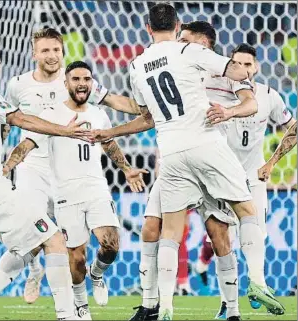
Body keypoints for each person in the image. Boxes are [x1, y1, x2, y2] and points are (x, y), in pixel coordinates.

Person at [90, 4, 279, 319]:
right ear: (178, 26)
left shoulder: (136, 65)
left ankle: (165, 305)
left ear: (148, 28)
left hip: (172, 153)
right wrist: (240, 71)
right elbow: (236, 70)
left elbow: (145, 116)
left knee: (171, 233)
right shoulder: (189, 51)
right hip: (206, 143)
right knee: (246, 209)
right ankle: (257, 280)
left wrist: (110, 131)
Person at [0, 46, 92, 320]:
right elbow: (21, 119)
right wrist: (65, 131)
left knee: (30, 244)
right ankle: (67, 315)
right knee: (55, 240)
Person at [4, 27, 141, 305]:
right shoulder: (17, 85)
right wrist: (4, 162)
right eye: (45, 50)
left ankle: (93, 276)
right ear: (34, 53)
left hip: (73, 170)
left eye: (56, 49)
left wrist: (147, 109)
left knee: (93, 246)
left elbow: (114, 101)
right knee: (29, 226)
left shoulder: (78, 80)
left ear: (63, 52)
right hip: (33, 164)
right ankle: (34, 271)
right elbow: (7, 121)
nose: (52, 55)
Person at [191, 41, 296, 319]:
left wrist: (272, 162)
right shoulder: (216, 92)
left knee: (256, 235)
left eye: (248, 64)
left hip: (252, 177)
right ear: (230, 66)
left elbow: (293, 128)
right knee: (221, 241)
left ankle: (257, 285)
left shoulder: (269, 96)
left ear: (257, 66)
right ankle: (229, 305)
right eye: (237, 64)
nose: (244, 69)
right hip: (220, 177)